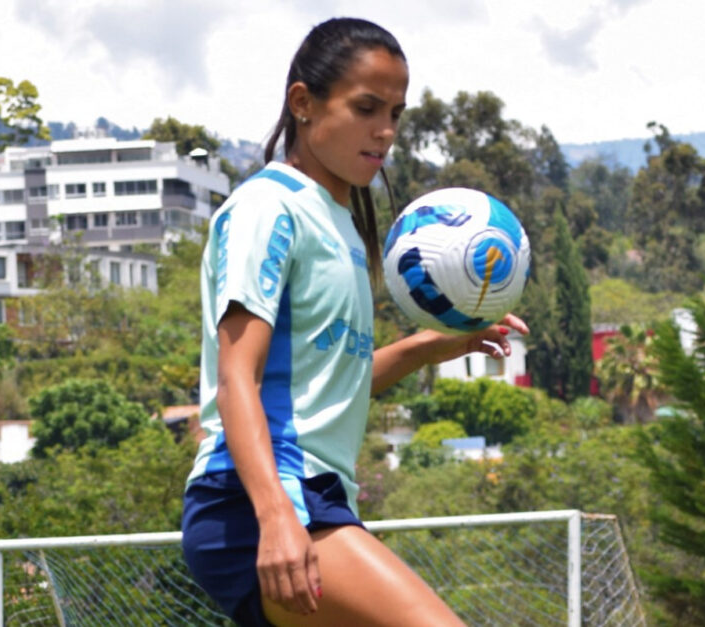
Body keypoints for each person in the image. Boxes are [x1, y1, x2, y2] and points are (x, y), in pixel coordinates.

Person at [181, 17, 528, 627]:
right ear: (303, 103)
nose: (386, 131)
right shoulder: (269, 207)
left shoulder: (340, 222)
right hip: (255, 502)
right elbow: (238, 377)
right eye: (367, 108)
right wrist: (277, 518)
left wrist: (433, 344)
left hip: (314, 498)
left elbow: (333, 383)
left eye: (395, 112)